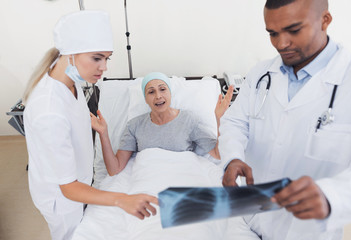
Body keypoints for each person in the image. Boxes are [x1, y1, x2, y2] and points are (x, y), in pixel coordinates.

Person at [219, 0, 351, 239]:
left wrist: (332, 195)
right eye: (272, 33)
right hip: (250, 220)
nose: (281, 44)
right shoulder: (260, 74)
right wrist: (232, 157)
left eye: (294, 30)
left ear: (325, 20)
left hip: (310, 230)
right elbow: (235, 122)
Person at [23, 10, 158, 240]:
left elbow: (68, 112)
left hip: (80, 180)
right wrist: (121, 199)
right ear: (71, 55)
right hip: (63, 200)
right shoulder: (48, 111)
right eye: (97, 58)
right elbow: (68, 188)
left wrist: (97, 129)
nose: (104, 67)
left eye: (107, 58)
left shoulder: (70, 82)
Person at [91, 72, 233, 176]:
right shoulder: (134, 125)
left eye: (163, 89)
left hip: (183, 178)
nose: (158, 96)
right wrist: (103, 134)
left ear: (170, 93)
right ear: (145, 99)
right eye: (151, 92)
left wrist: (219, 119)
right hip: (149, 182)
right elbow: (114, 169)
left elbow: (218, 153)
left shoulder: (188, 120)